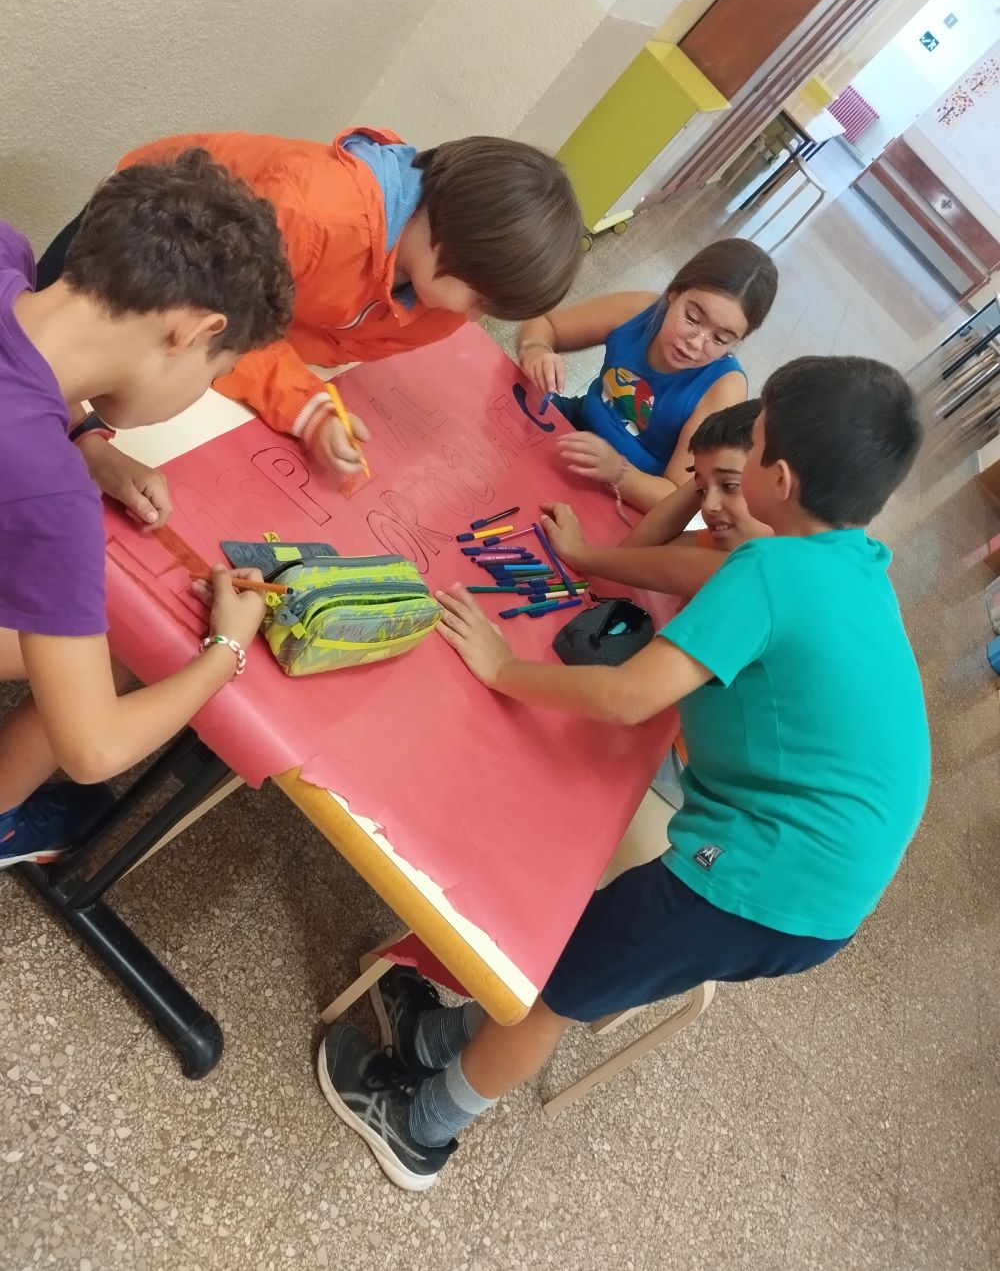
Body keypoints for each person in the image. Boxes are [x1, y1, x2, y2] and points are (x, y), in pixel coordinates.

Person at [316, 355, 930, 1191]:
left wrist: (502, 668)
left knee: (558, 987)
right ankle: (439, 1039)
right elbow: (683, 580)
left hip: (765, 878)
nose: (739, 460)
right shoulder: (850, 563)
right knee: (578, 956)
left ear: (779, 479)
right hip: (816, 880)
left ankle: (421, 1128)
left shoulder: (774, 569)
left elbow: (627, 696)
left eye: (753, 444)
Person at [37, 128, 584, 528]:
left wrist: (89, 442)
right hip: (129, 266)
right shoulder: (314, 215)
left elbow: (286, 331)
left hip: (181, 344)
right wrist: (303, 403)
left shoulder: (433, 292)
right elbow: (225, 328)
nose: (475, 319)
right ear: (454, 246)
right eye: (481, 299)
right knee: (50, 408)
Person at [0, 149, 294, 868]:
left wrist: (87, 441)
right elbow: (93, 747)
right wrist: (223, 651)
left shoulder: (8, 249)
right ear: (193, 332)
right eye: (216, 372)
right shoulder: (52, 500)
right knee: (127, 644)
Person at [517, 239, 777, 514]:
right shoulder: (639, 310)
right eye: (692, 318)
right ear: (674, 292)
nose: (696, 342)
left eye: (720, 339)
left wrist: (618, 471)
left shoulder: (723, 389)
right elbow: (544, 324)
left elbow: (676, 499)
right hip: (574, 424)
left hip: (631, 491)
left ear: (736, 342)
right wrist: (537, 350)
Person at [543, 397, 771, 601]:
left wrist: (579, 553)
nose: (708, 506)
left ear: (782, 483)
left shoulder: (771, 570)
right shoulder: (723, 541)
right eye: (701, 491)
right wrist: (706, 476)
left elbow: (662, 564)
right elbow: (633, 554)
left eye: (730, 486)